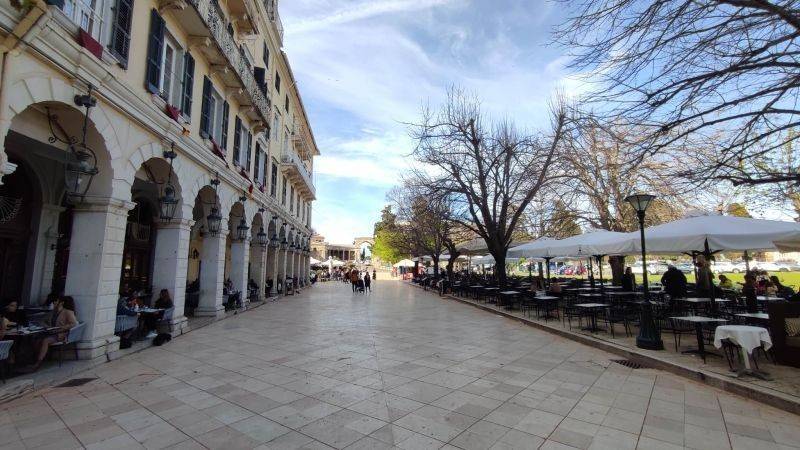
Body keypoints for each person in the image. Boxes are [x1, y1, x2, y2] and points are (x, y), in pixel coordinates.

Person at [29, 296, 78, 370]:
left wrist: (62, 328)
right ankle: (35, 358)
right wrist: (47, 326)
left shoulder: (67, 312)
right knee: (36, 338)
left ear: (61, 303)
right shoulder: (53, 312)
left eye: (56, 301)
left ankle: (38, 362)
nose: (54, 303)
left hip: (60, 334)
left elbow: (73, 323)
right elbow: (43, 320)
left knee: (46, 341)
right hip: (50, 331)